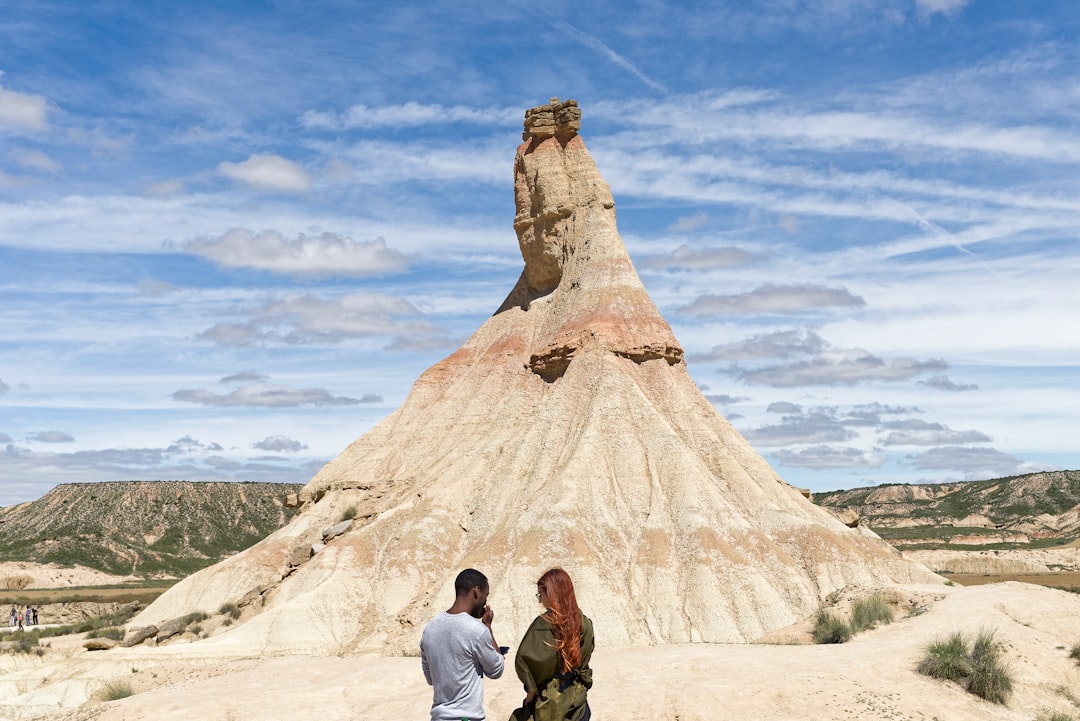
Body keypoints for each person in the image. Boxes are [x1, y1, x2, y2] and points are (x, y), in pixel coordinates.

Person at [421, 568, 505, 721]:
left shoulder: (430, 629)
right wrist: (488, 627)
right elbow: (496, 670)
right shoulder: (477, 631)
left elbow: (430, 679)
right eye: (486, 595)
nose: (485, 602)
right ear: (477, 592)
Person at [511, 568, 594, 721]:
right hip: (578, 705)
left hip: (550, 705)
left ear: (552, 594)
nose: (540, 601)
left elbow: (527, 664)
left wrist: (529, 698)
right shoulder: (585, 623)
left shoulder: (543, 624)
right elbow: (584, 664)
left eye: (540, 595)